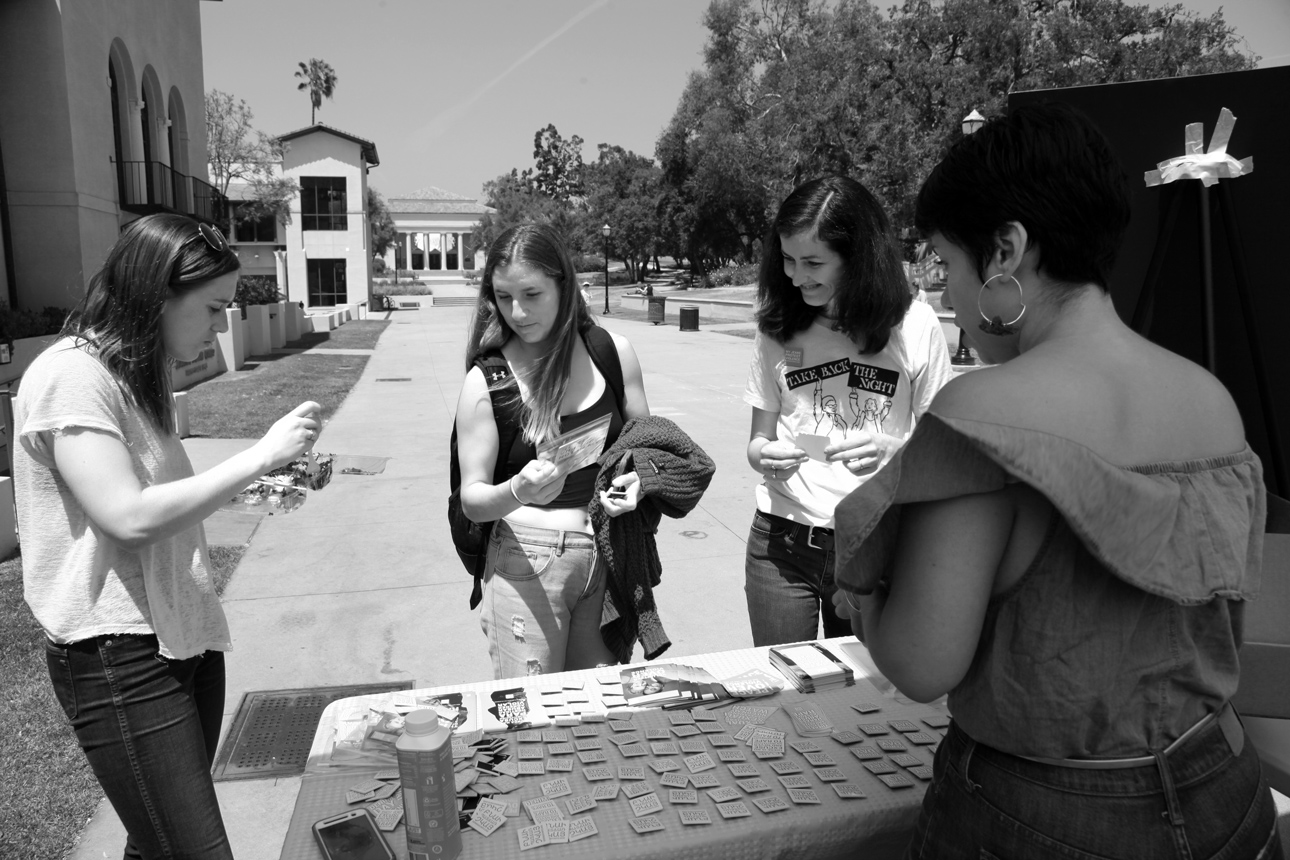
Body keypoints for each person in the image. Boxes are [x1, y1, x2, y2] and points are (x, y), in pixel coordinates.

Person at [831, 103, 1283, 859]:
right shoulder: (1211, 399)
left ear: (1006, 249)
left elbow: (921, 662)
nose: (943, 297)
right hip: (1225, 789)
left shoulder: (985, 411)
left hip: (1042, 816)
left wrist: (864, 598)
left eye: (948, 264)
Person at [13, 213, 322, 859]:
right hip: (116, 654)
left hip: (182, 636)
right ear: (156, 294)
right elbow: (127, 515)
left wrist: (260, 481)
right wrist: (259, 457)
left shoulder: (132, 375)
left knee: (157, 846)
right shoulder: (72, 375)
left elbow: (163, 503)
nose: (218, 326)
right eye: (211, 308)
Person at [743, 175, 952, 646]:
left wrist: (893, 449)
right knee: (785, 696)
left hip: (875, 542)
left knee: (867, 702)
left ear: (857, 257)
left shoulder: (915, 326)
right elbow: (757, 441)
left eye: (814, 262)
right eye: (789, 260)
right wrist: (764, 455)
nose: (797, 276)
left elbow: (945, 452)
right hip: (782, 541)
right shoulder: (777, 327)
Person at [456, 223, 650, 678]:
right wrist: (517, 489)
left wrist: (639, 479)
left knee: (596, 709)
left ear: (564, 284)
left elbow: (647, 444)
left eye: (531, 294)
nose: (517, 313)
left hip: (605, 555)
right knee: (530, 720)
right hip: (525, 563)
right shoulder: (487, 380)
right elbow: (473, 501)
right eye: (503, 297)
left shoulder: (612, 352)